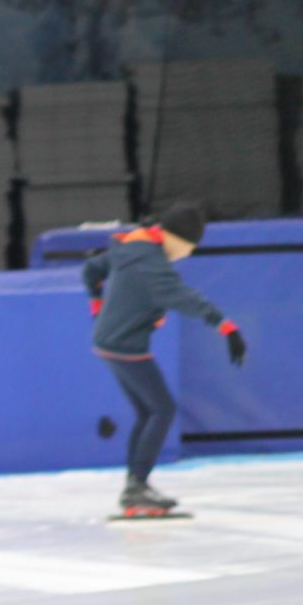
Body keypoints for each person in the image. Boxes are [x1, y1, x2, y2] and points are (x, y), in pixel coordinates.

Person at [83, 201, 245, 517]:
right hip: (125, 347)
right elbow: (182, 296)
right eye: (189, 247)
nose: (188, 254)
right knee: (162, 409)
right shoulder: (151, 262)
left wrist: (97, 305)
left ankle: (135, 485)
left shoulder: (134, 245)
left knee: (148, 412)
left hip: (110, 342)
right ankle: (137, 487)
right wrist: (226, 326)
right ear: (175, 238)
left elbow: (91, 269)